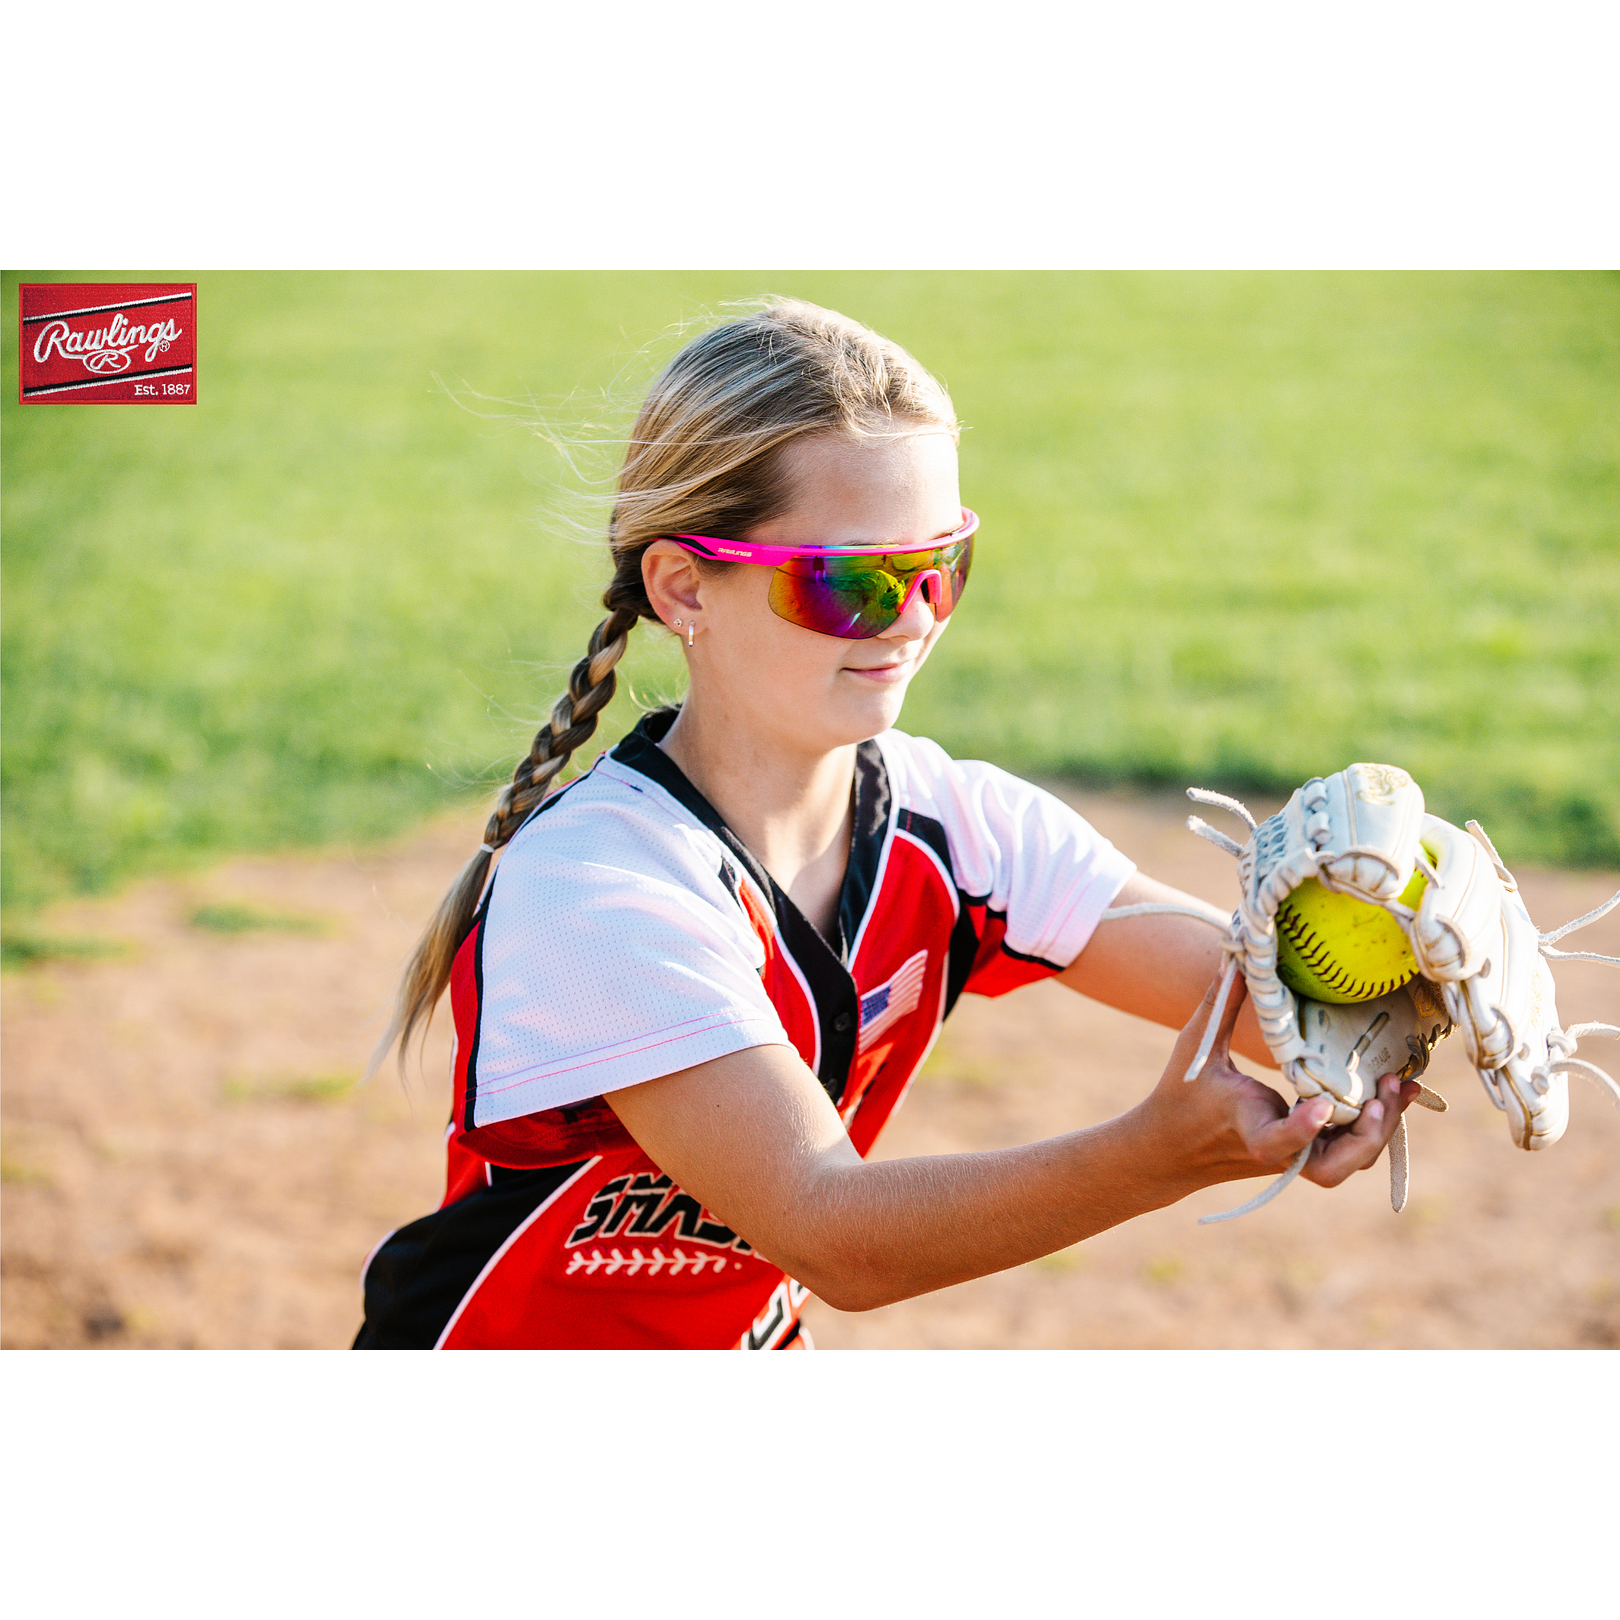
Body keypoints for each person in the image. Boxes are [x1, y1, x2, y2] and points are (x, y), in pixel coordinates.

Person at [353, 298, 1415, 1350]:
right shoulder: (599, 887)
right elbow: (834, 1232)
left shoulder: (955, 825)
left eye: (939, 566)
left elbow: (1253, 992)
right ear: (684, 587)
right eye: (850, 581)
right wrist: (1153, 1155)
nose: (910, 618)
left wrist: (1408, 983)